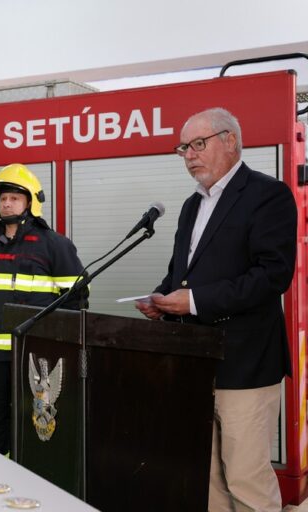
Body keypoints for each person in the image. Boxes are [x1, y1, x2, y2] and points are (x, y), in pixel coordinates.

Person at [136, 108, 296, 512]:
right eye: (183, 148)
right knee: (207, 478)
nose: (189, 155)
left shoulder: (268, 195)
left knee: (245, 478)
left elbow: (272, 275)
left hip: (246, 364)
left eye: (197, 144)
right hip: (196, 360)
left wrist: (192, 301)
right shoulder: (191, 205)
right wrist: (161, 299)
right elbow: (182, 274)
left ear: (230, 141)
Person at [0, 163, 87, 456]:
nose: (7, 203)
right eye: (3, 198)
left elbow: (77, 300)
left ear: (31, 202)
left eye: (14, 198)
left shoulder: (54, 245)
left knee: (33, 426)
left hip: (32, 357)